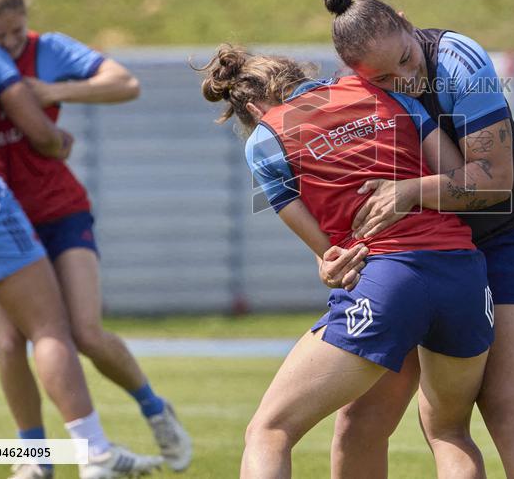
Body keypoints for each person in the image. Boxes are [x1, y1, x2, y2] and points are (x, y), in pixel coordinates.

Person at [198, 45, 494, 479]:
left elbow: (333, 256)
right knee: (450, 432)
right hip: (463, 274)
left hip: (388, 282)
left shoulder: (267, 138)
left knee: (269, 430)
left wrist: (330, 261)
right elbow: (456, 180)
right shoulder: (388, 94)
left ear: (253, 110)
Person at [319, 0, 514, 479]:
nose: (404, 81)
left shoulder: (458, 60)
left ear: (408, 23)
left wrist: (410, 192)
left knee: (506, 408)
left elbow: (494, 180)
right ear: (356, 75)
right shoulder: (354, 96)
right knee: (362, 418)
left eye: (407, 59)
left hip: (510, 239)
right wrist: (329, 255)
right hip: (427, 254)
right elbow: (351, 201)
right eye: (385, 78)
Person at [0, 0, 192, 479]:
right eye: (0, 37)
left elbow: (124, 83)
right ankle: (34, 459)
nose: (12, 43)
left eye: (18, 31)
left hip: (60, 209)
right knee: (8, 341)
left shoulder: (48, 49)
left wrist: (51, 91)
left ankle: (154, 409)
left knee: (85, 331)